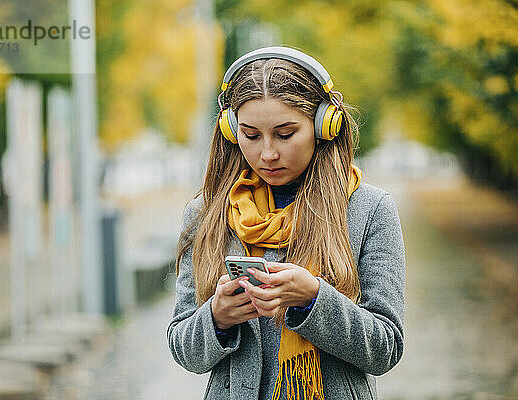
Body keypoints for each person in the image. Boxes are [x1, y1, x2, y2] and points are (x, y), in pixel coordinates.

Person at [167, 46, 405, 400]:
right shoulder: (206, 215)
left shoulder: (370, 210)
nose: (267, 153)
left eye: (285, 134)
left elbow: (385, 348)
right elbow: (182, 347)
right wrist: (217, 317)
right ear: (232, 132)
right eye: (250, 135)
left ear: (324, 126)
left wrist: (314, 299)